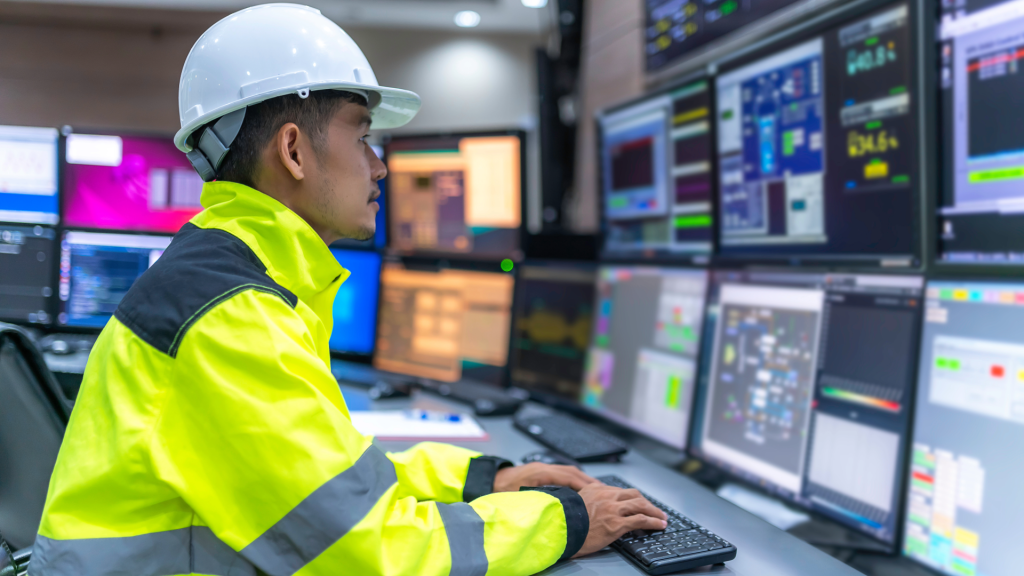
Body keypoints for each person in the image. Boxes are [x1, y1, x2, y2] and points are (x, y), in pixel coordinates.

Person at [30, 4, 666, 575]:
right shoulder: (228, 316)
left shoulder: (235, 282)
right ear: (294, 151)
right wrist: (571, 520)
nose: (380, 164)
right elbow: (364, 550)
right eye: (362, 135)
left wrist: (485, 477)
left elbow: (327, 483)